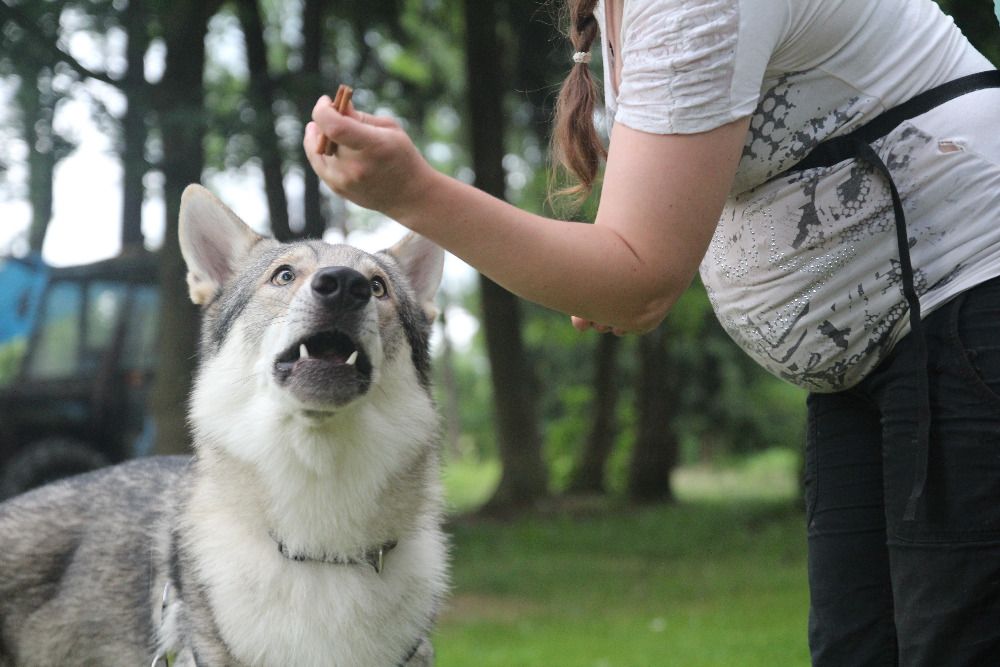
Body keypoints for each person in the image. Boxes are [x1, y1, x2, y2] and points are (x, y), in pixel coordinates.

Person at [303, 0, 1000, 664]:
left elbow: (637, 278)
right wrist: (595, 273)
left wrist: (412, 192)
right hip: (875, 355)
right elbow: (643, 237)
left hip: (964, 306)